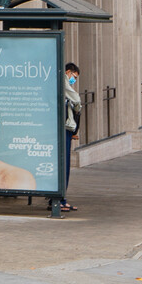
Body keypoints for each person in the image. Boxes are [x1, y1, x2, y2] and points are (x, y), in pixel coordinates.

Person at [56, 62, 83, 213]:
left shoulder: (63, 82)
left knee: (65, 165)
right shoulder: (63, 81)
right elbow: (76, 100)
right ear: (68, 72)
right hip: (64, 128)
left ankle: (61, 199)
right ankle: (60, 200)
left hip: (67, 126)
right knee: (64, 165)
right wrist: (78, 107)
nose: (74, 80)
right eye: (74, 77)